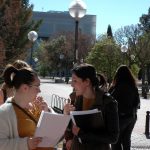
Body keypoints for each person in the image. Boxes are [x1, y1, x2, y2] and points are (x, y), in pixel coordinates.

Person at [63, 64, 119, 150]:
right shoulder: (74, 99)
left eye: (75, 81)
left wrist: (83, 134)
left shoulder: (108, 103)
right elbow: (71, 127)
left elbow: (113, 137)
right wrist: (65, 115)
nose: (71, 85)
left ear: (87, 82)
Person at [0, 64, 54, 150]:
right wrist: (25, 144)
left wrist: (47, 113)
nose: (39, 90)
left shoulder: (36, 107)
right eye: (37, 86)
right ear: (25, 88)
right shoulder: (4, 112)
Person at [108, 65, 140, 150]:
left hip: (120, 118)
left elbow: (109, 100)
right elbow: (137, 103)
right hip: (131, 117)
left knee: (115, 141)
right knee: (126, 140)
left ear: (118, 75)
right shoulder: (133, 87)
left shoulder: (117, 87)